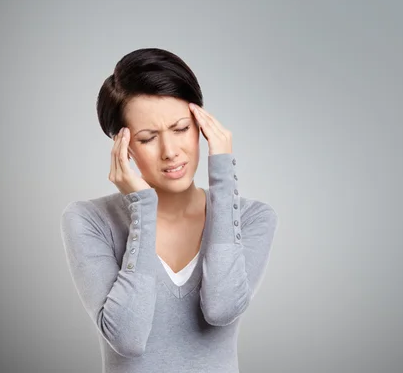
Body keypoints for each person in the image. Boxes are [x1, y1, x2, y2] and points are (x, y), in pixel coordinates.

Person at [60, 47, 279, 372]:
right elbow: (128, 338)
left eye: (181, 129)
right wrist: (143, 210)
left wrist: (222, 173)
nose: (171, 151)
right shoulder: (89, 221)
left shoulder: (253, 218)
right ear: (124, 148)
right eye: (148, 138)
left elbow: (221, 308)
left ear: (202, 126)